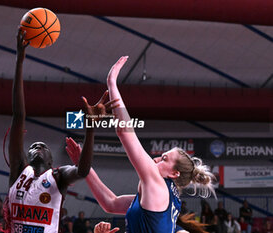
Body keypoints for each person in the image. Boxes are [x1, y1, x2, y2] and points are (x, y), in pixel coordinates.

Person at [66, 56, 216, 233]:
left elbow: (124, 132)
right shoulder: (161, 195)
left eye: (164, 158)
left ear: (174, 173)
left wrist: (112, 82)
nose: (157, 158)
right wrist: (85, 167)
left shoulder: (158, 184)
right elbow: (111, 203)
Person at [1, 28, 117, 233]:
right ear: (25, 157)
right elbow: (18, 115)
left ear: (50, 161)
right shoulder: (19, 171)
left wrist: (90, 128)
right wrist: (19, 61)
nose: (37, 147)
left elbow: (82, 171)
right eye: (34, 146)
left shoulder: (58, 177)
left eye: (43, 146)